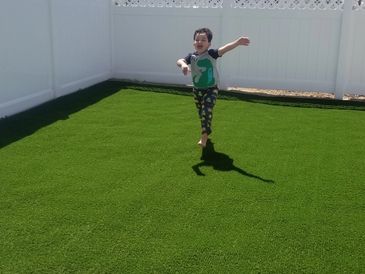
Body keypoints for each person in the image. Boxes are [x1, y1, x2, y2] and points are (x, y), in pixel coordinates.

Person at [177, 27, 250, 148]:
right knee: (202, 114)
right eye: (197, 39)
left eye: (203, 40)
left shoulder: (211, 54)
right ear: (194, 42)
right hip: (197, 90)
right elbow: (179, 60)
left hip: (211, 89)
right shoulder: (192, 56)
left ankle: (204, 138)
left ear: (209, 43)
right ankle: (207, 130)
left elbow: (224, 49)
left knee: (206, 111)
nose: (199, 42)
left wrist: (237, 42)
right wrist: (184, 65)